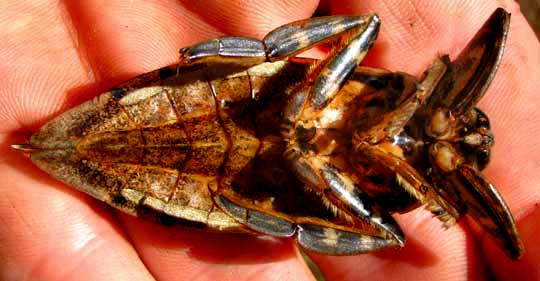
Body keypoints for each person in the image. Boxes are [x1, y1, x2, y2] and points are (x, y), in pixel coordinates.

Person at [1, 0, 538, 280]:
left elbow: (370, 232)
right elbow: (361, 29)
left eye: (442, 153)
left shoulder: (386, 215)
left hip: (225, 188)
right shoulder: (393, 89)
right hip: (225, 104)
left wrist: (295, 222)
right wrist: (267, 49)